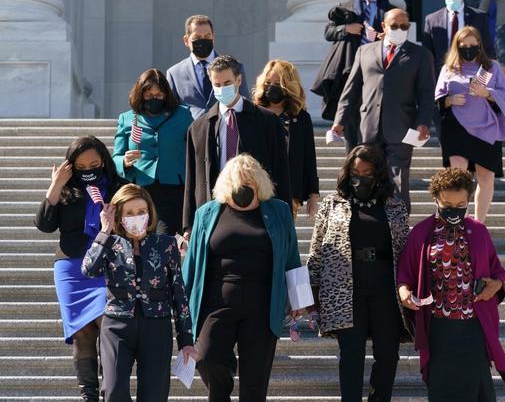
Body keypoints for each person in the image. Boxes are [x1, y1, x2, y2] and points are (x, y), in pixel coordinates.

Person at [182, 154, 303, 401]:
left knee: (254, 387)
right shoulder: (207, 213)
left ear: (260, 183)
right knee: (206, 359)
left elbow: (291, 255)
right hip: (216, 304)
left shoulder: (278, 211)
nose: (243, 185)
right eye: (238, 180)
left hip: (263, 306)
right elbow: (192, 262)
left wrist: (299, 299)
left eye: (250, 180)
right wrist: (180, 303)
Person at [397, 167, 505, 401]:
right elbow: (405, 275)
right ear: (436, 199)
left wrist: (495, 284)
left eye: (461, 205)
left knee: (476, 387)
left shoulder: (479, 230)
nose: (454, 210)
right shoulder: (421, 233)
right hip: (438, 326)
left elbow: (497, 271)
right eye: (448, 204)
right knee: (442, 389)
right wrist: (404, 293)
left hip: (473, 324)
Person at [307, 145, 411, 402]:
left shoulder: (394, 205)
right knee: (351, 354)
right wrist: (311, 291)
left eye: (367, 172)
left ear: (378, 174)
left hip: (385, 289)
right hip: (345, 289)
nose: (360, 177)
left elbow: (405, 247)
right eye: (355, 172)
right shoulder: (332, 203)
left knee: (387, 354)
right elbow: (317, 249)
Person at [81, 184, 197, 402]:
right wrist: (105, 231)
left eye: (141, 212)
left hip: (157, 326)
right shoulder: (110, 243)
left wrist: (186, 339)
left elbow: (179, 293)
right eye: (130, 213)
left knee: (154, 395)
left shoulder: (166, 244)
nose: (136, 217)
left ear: (150, 213)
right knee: (113, 392)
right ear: (120, 217)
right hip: (117, 326)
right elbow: (88, 269)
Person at [34, 136, 126, 402]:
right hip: (72, 268)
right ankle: (88, 395)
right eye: (82, 168)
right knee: (82, 331)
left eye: (94, 165)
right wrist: (55, 185)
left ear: (104, 162)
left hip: (108, 265)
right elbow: (44, 225)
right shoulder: (66, 188)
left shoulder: (119, 186)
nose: (89, 171)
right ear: (72, 167)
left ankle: (112, 389)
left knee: (108, 325)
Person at [332, 8, 435, 211]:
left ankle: (399, 228)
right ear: (384, 26)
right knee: (365, 179)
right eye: (395, 26)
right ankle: (368, 225)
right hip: (368, 127)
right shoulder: (365, 51)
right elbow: (350, 90)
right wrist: (339, 121)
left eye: (404, 27)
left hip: (402, 127)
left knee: (398, 180)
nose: (400, 30)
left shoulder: (421, 55)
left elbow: (426, 94)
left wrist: (423, 123)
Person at [182, 55, 291, 240]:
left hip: (257, 209)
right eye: (217, 84)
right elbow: (192, 178)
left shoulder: (267, 121)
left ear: (238, 80)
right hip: (214, 211)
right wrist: (188, 224)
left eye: (227, 83)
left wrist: (285, 216)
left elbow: (281, 169)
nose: (222, 89)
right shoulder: (199, 127)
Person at [434, 26, 505, 222]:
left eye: (472, 45)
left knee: (486, 178)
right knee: (459, 178)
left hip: (487, 128)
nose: (468, 48)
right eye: (464, 45)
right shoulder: (448, 69)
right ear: (457, 46)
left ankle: (479, 224)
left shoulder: (492, 67)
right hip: (456, 127)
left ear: (479, 45)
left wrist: (487, 93)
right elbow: (437, 98)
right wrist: (449, 100)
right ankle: (458, 220)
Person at [322, 0, 396, 152]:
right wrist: (346, 29)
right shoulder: (345, 7)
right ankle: (352, 159)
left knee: (375, 116)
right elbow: (328, 32)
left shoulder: (390, 10)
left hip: (378, 69)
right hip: (350, 67)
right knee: (351, 116)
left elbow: (401, 37)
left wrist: (386, 38)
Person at [112, 68, 193, 235]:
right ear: (140, 94)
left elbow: (195, 147)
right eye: (149, 95)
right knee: (139, 238)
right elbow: (115, 157)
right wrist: (124, 162)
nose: (154, 99)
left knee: (164, 239)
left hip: (173, 188)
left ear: (166, 94)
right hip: (139, 188)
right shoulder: (127, 118)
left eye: (159, 95)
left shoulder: (183, 115)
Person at [424, 0, 495, 138]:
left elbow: (489, 52)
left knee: (471, 132)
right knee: (445, 130)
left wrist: (482, 82)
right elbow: (428, 55)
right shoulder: (432, 20)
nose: (453, 0)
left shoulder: (479, 17)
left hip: (473, 81)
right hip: (444, 81)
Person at [252, 60, 319, 219]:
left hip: (289, 192)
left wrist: (313, 195)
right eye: (268, 82)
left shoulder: (301, 118)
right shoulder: (254, 114)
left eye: (278, 83)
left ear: (289, 86)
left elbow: (309, 157)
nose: (272, 87)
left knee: (284, 239)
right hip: (257, 190)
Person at [166, 14, 249, 120]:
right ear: (186, 40)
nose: (203, 40)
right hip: (192, 133)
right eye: (197, 38)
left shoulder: (235, 67)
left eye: (207, 36)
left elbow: (245, 103)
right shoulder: (174, 73)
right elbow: (171, 111)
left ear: (213, 37)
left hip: (227, 130)